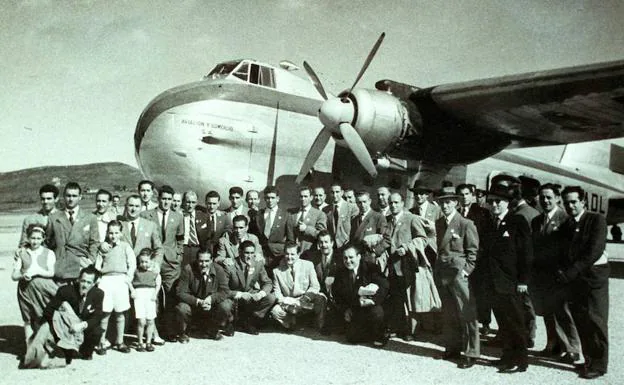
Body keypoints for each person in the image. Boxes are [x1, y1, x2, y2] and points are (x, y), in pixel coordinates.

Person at [558, 186, 609, 380]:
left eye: (574, 202)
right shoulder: (567, 225)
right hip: (575, 281)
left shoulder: (596, 220)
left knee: (596, 321)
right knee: (581, 320)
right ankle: (588, 360)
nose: (570, 206)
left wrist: (571, 271)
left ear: (583, 202)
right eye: (567, 202)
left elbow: (594, 251)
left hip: (593, 279)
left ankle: (599, 364)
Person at [481, 181, 532, 373]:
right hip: (495, 283)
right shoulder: (491, 223)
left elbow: (526, 254)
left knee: (516, 322)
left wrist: (523, 281)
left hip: (511, 283)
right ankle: (507, 357)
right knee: (503, 322)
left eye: (498, 202)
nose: (494, 205)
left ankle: (521, 360)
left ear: (507, 203)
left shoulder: (517, 221)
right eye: (491, 201)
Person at [530, 184, 581, 362]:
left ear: (558, 198)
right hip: (542, 276)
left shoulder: (566, 219)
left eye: (549, 197)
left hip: (560, 275)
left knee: (564, 313)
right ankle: (553, 345)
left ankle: (573, 348)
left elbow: (572, 249)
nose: (545, 201)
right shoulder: (536, 221)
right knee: (548, 312)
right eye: (542, 197)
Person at [433, 187, 480, 369]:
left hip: (458, 275)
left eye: (448, 202)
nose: (445, 205)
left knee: (467, 313)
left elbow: (473, 251)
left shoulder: (465, 223)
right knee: (449, 312)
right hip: (443, 273)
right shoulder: (439, 223)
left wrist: (465, 271)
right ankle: (452, 347)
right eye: (442, 202)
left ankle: (471, 352)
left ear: (455, 203)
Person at [373, 192, 429, 341]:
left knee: (410, 299)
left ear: (403, 203)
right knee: (396, 299)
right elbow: (386, 241)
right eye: (391, 203)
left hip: (407, 266)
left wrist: (407, 247)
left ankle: (411, 331)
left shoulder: (411, 219)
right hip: (392, 267)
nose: (393, 205)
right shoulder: (388, 220)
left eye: (396, 203)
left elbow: (423, 239)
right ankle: (398, 327)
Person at [141, 185, 184, 339]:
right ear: (158, 198)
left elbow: (180, 239)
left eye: (169, 199)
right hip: (153, 260)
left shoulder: (178, 217)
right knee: (153, 296)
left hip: (171, 263)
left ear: (172, 200)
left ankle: (170, 330)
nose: (166, 202)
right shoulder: (146, 215)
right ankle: (153, 331)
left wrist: (178, 255)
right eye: (163, 198)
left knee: (171, 296)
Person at [42, 265, 105, 362]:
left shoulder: (98, 294)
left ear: (93, 284)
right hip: (66, 327)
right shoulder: (65, 291)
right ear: (78, 280)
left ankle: (85, 351)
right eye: (83, 281)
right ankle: (66, 348)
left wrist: (82, 325)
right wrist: (64, 321)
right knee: (67, 357)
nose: (85, 285)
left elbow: (98, 316)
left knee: (97, 330)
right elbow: (48, 311)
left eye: (89, 282)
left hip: (82, 327)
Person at [456, 183, 495, 336]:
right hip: (460, 258)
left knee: (481, 292)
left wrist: (478, 256)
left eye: (467, 194)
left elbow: (487, 237)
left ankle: (485, 323)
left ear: (472, 195)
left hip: (478, 259)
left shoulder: (483, 213)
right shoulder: (456, 213)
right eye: (461, 194)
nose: (464, 197)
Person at [332, 244, 388, 346]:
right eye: (345, 258)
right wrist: (345, 309)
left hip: (371, 306)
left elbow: (384, 286)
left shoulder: (371, 268)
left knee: (377, 312)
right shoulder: (340, 272)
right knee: (352, 338)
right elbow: (336, 294)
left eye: (351, 257)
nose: (348, 261)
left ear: (359, 257)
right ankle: (368, 332)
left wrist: (373, 300)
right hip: (355, 307)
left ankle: (380, 334)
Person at [94, 220, 136, 354]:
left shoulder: (125, 246)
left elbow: (132, 263)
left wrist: (127, 279)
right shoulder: (103, 248)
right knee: (105, 313)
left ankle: (119, 341)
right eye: (111, 232)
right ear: (107, 233)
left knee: (120, 313)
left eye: (116, 232)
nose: (113, 235)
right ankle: (101, 342)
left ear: (121, 233)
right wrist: (99, 278)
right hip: (106, 280)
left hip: (120, 280)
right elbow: (97, 265)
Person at [12, 224, 58, 346]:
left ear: (43, 239)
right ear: (28, 238)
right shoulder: (22, 253)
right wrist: (23, 275)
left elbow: (51, 272)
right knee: (28, 319)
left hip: (44, 289)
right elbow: (14, 275)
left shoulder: (49, 253)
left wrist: (36, 272)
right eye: (32, 238)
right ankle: (29, 348)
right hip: (25, 290)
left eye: (38, 238)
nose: (35, 241)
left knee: (44, 316)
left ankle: (46, 346)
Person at [175, 249, 234, 342]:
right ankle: (184, 332)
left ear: (211, 260)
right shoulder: (188, 269)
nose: (203, 264)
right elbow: (180, 292)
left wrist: (211, 299)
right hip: (194, 305)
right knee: (182, 308)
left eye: (207, 261)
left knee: (226, 305)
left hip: (211, 305)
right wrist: (197, 301)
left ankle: (213, 330)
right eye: (201, 261)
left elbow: (225, 291)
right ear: (196, 260)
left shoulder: (218, 269)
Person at [46, 182, 99, 283]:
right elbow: (48, 243)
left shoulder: (90, 218)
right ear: (64, 197)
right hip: (61, 267)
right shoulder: (54, 217)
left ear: (80, 197)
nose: (71, 199)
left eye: (74, 196)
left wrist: (90, 261)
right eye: (68, 195)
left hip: (81, 266)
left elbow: (94, 242)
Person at [271, 241, 327, 331]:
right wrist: (289, 303)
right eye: (287, 254)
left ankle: (320, 326)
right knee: (275, 311)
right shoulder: (277, 271)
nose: (289, 257)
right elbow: (277, 293)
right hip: (289, 303)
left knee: (321, 298)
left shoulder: (308, 265)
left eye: (292, 254)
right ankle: (291, 324)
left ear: (298, 254)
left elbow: (315, 286)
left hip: (305, 300)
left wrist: (304, 299)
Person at [227, 241, 276, 334]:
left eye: (252, 253)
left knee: (270, 298)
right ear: (240, 252)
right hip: (234, 296)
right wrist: (240, 294)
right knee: (225, 305)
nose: (249, 256)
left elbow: (268, 283)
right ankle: (229, 322)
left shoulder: (257, 263)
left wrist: (260, 294)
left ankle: (250, 321)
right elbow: (223, 288)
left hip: (250, 294)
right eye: (246, 253)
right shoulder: (231, 265)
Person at [302, 231, 341, 334]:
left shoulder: (340, 257)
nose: (324, 245)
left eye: (326, 242)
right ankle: (321, 325)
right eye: (321, 242)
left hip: (336, 294)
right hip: (320, 293)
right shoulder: (313, 256)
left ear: (332, 243)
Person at [130, 248, 162, 352]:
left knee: (150, 320)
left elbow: (158, 283)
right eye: (142, 262)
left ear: (151, 261)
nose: (144, 264)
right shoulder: (136, 271)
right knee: (141, 320)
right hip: (139, 295)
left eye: (146, 261)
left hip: (150, 295)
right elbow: (128, 281)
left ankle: (148, 342)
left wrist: (155, 294)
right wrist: (132, 291)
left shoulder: (154, 271)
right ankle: (140, 342)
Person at [285, 186, 327, 253]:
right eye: (301, 196)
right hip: (292, 253)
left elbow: (322, 235)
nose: (303, 199)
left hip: (309, 252)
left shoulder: (319, 214)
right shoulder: (292, 213)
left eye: (305, 196)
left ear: (311, 197)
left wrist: (306, 229)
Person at [256, 186, 288, 271]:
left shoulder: (286, 215)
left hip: (278, 255)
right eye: (267, 198)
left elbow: (290, 239)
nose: (270, 201)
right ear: (264, 199)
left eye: (272, 198)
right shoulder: (258, 214)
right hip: (261, 255)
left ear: (277, 199)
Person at [350, 191, 387, 266]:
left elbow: (385, 238)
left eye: (364, 202)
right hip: (357, 258)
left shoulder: (378, 217)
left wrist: (375, 252)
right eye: (359, 202)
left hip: (371, 258)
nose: (362, 205)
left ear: (369, 201)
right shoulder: (354, 219)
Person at [324, 182, 359, 249]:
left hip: (347, 246)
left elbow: (356, 229)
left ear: (342, 192)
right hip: (333, 247)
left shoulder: (351, 208)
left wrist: (350, 241)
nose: (334, 195)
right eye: (332, 192)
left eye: (337, 192)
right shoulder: (326, 210)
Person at [181, 191, 208, 267]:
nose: (190, 205)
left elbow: (208, 236)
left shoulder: (203, 216)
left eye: (193, 202)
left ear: (196, 203)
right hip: (183, 249)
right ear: (184, 202)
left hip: (198, 249)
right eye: (188, 202)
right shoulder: (179, 216)